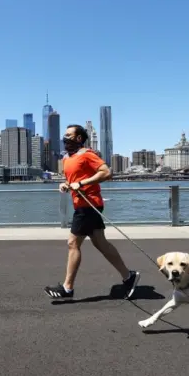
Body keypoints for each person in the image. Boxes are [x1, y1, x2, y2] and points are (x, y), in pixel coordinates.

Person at [44, 124, 140, 300]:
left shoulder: (87, 154)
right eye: (64, 135)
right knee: (100, 243)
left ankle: (67, 288)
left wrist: (81, 184)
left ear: (79, 138)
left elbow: (106, 172)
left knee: (73, 243)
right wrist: (66, 184)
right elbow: (73, 178)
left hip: (89, 205)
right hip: (80, 204)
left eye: (68, 135)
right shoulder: (66, 158)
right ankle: (129, 276)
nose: (65, 138)